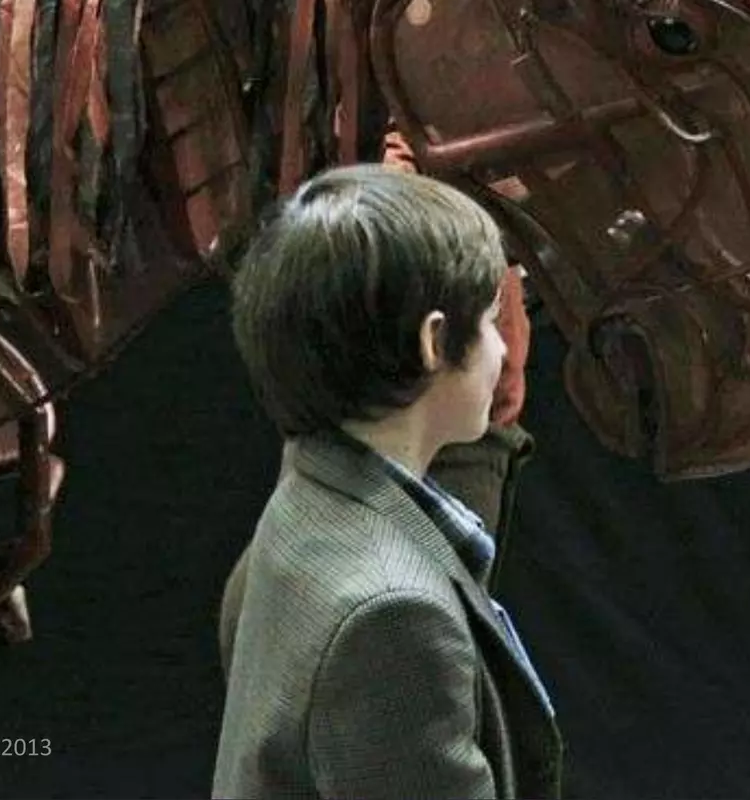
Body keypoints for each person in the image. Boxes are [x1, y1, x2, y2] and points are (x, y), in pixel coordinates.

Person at [213, 165, 560, 800]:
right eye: (488, 320)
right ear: (434, 342)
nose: (505, 350)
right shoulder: (395, 619)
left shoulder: (308, 491)